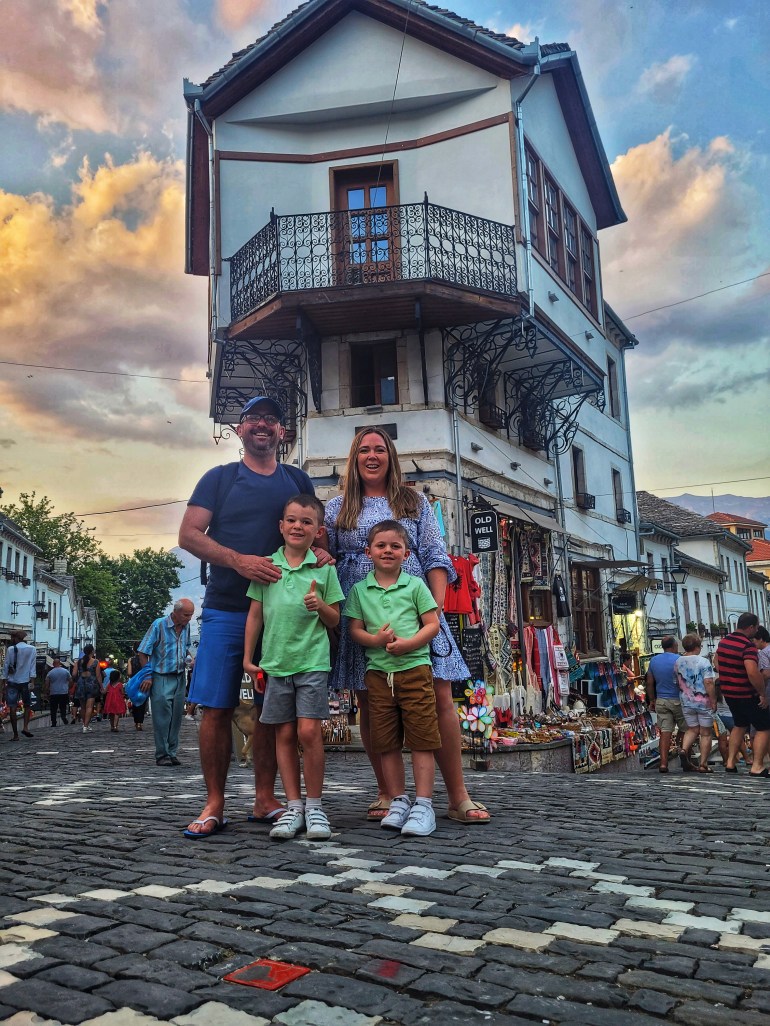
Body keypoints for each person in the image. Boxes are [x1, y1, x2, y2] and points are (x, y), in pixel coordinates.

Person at [179, 395, 331, 838]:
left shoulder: (296, 478)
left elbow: (312, 529)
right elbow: (189, 534)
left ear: (282, 432)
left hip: (285, 617)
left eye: (271, 419)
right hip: (228, 607)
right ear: (240, 429)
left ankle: (266, 799)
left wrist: (321, 549)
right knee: (216, 706)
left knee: (273, 711)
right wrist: (238, 561)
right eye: (253, 419)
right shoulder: (220, 479)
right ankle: (214, 803)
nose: (262, 425)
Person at [325, 427, 490, 824]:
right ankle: (387, 792)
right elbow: (323, 554)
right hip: (361, 608)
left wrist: (428, 610)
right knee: (370, 699)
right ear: (353, 457)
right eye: (363, 449)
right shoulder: (336, 507)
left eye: (379, 449)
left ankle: (457, 796)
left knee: (439, 698)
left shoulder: (414, 502)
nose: (372, 456)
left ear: (391, 456)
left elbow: (435, 556)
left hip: (414, 608)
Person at [243, 494, 344, 841]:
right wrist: (248, 658)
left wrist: (319, 606)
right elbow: (254, 614)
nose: (298, 526)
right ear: (281, 526)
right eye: (292, 520)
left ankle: (315, 806)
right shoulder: (266, 567)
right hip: (275, 663)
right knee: (283, 735)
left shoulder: (324, 568)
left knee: (308, 733)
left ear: (318, 530)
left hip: (312, 661)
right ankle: (294, 807)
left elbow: (336, 618)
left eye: (306, 522)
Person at [346, 519, 442, 836]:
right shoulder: (360, 590)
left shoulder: (415, 585)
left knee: (421, 739)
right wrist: (375, 641)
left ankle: (424, 805)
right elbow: (354, 630)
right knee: (386, 742)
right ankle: (398, 800)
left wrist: (408, 644)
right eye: (381, 545)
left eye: (395, 546)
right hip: (378, 675)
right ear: (368, 552)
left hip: (414, 670)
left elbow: (432, 624)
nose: (388, 550)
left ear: (407, 553)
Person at [138, 599, 195, 766]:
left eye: (191, 615)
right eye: (186, 615)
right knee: (162, 717)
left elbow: (186, 647)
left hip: (179, 675)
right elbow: (142, 652)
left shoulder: (187, 627)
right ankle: (162, 754)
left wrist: (190, 659)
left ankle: (172, 752)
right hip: (160, 675)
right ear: (175, 612)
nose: (189, 618)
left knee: (176, 717)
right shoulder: (159, 625)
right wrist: (147, 676)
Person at [715, 612, 769, 776]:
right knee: (764, 727)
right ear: (751, 627)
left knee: (739, 725)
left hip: (730, 693)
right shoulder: (747, 646)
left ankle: (730, 762)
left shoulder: (723, 642)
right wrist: (761, 693)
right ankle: (757, 766)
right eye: (757, 627)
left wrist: (727, 676)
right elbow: (752, 672)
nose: (757, 631)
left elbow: (716, 662)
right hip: (747, 693)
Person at [645, 636, 692, 773]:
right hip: (679, 699)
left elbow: (649, 683)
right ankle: (686, 760)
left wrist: (652, 700)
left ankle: (663, 764)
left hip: (661, 700)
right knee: (686, 730)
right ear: (675, 646)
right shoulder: (679, 660)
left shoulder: (654, 660)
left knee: (665, 732)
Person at [674, 633, 717, 773]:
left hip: (686, 701)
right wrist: (713, 700)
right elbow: (709, 682)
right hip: (703, 702)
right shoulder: (703, 662)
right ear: (698, 646)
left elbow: (677, 681)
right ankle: (703, 764)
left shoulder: (678, 662)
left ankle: (684, 750)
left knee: (692, 729)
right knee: (705, 733)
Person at [1, 628, 37, 739]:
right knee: (27, 705)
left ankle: (15, 734)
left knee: (12, 707)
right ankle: (25, 727)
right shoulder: (32, 649)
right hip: (26, 681)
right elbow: (32, 666)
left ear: (16, 638)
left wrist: (3, 682)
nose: (11, 639)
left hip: (12, 681)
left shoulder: (11, 649)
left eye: (12, 637)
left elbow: (6, 666)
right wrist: (32, 681)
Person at [73, 644, 102, 733]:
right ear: (92, 651)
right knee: (90, 706)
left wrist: (76, 680)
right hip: (92, 684)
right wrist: (101, 686)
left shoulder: (78, 662)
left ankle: (84, 724)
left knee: (82, 707)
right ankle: (86, 726)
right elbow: (98, 675)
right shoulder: (95, 662)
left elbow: (74, 674)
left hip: (81, 683)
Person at [126, 643, 147, 731]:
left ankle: (136, 722)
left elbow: (129, 673)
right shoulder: (146, 659)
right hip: (144, 682)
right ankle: (140, 723)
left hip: (134, 683)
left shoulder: (131, 660)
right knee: (142, 702)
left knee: (135, 702)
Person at [45, 657, 72, 727]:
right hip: (63, 692)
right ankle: (63, 717)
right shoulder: (66, 671)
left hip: (54, 693)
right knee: (63, 707)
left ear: (53, 664)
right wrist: (68, 687)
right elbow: (70, 680)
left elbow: (47, 683)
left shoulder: (50, 673)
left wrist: (46, 691)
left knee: (53, 708)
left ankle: (54, 722)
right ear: (60, 663)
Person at [755, 626, 770, 702]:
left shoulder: (763, 653)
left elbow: (766, 674)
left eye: (753, 640)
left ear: (760, 639)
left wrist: (760, 692)